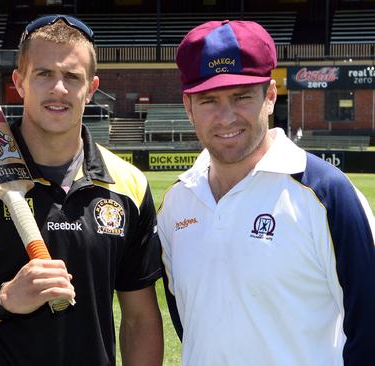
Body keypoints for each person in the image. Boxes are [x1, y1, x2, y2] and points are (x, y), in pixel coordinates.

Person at [0, 15, 163, 366]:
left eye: (72, 77)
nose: (58, 89)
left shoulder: (128, 185)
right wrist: (5, 298)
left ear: (92, 87)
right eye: (44, 74)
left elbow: (140, 319)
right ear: (18, 82)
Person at [157, 20, 375, 365]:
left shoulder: (326, 194)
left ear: (270, 96)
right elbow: (191, 323)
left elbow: (369, 329)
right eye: (208, 100)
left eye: (241, 97)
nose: (226, 117)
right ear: (188, 107)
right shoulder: (177, 202)